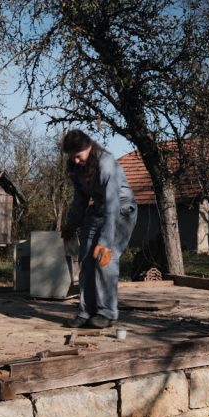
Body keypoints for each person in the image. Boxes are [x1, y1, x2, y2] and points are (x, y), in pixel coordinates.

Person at [60, 130, 137, 328]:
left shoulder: (106, 163)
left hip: (121, 209)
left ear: (89, 147)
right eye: (72, 157)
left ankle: (107, 313)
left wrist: (105, 242)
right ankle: (86, 312)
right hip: (98, 208)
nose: (76, 160)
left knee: (105, 260)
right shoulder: (76, 167)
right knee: (86, 259)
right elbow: (80, 198)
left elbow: (112, 206)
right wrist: (72, 223)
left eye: (78, 156)